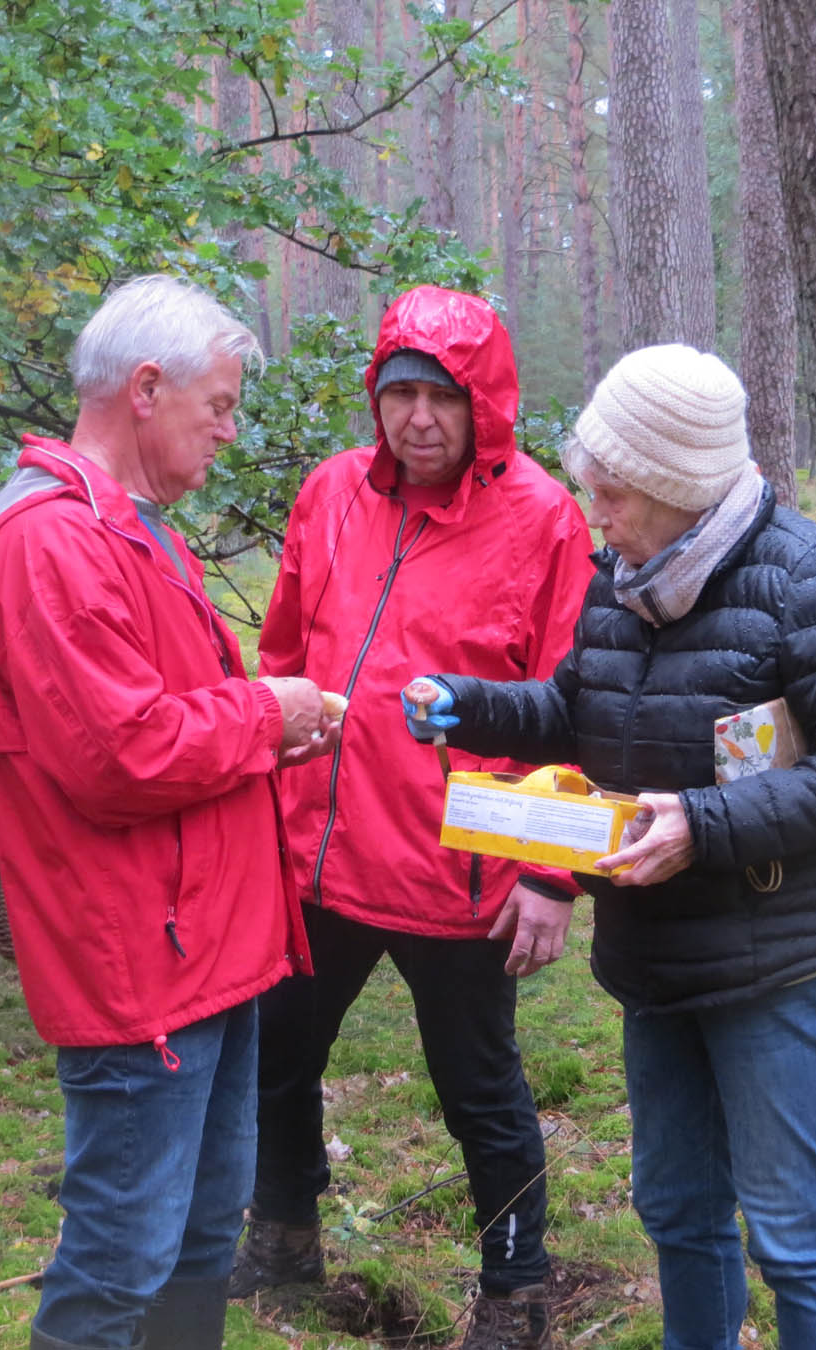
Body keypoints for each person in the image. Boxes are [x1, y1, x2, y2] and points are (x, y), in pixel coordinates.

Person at [400, 345, 816, 1350]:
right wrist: (476, 708)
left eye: (617, 495)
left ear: (682, 488)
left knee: (795, 1234)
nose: (599, 516)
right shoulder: (625, 580)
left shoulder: (815, 584)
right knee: (678, 1212)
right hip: (654, 958)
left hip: (778, 961)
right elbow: (578, 709)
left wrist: (705, 826)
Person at [0, 274, 339, 1350]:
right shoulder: (54, 544)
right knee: (118, 1261)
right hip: (137, 967)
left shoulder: (133, 528)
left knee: (200, 1242)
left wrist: (270, 725)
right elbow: (117, 753)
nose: (231, 430)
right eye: (221, 406)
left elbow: (163, 718)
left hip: (207, 949)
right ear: (146, 390)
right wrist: (266, 712)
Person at [240, 285, 594, 1347]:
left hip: (463, 871)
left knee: (479, 1088)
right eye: (399, 394)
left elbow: (575, 706)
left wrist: (548, 875)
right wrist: (270, 763)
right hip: (322, 853)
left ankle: (517, 1289)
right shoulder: (331, 493)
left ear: (483, 403)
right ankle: (284, 1241)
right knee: (277, 1056)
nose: (418, 419)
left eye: (441, 396)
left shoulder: (543, 518)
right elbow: (286, 654)